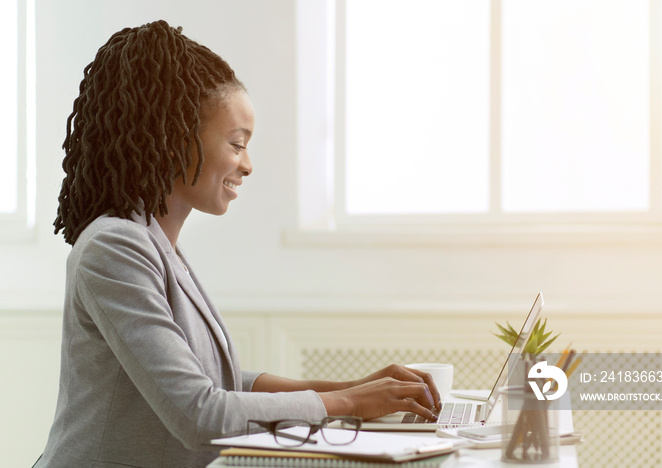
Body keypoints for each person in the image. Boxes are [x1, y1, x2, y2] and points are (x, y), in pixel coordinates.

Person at [36, 20, 440, 468]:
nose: (247, 165)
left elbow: (216, 384)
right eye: (236, 143)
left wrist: (352, 388)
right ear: (174, 138)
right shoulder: (114, 248)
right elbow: (201, 413)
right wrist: (347, 403)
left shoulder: (155, 245)